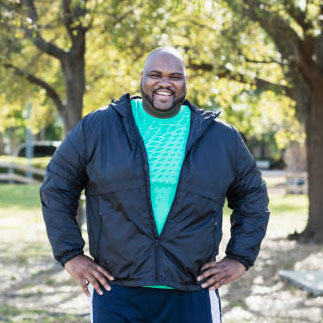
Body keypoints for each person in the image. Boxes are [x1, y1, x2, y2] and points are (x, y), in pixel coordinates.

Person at [40, 47, 270, 323]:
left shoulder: (221, 137)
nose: (165, 83)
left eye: (175, 76)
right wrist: (70, 255)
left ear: (186, 82)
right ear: (142, 78)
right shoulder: (99, 127)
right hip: (117, 289)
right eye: (155, 75)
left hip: (192, 290)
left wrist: (239, 258)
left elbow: (253, 198)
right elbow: (57, 186)